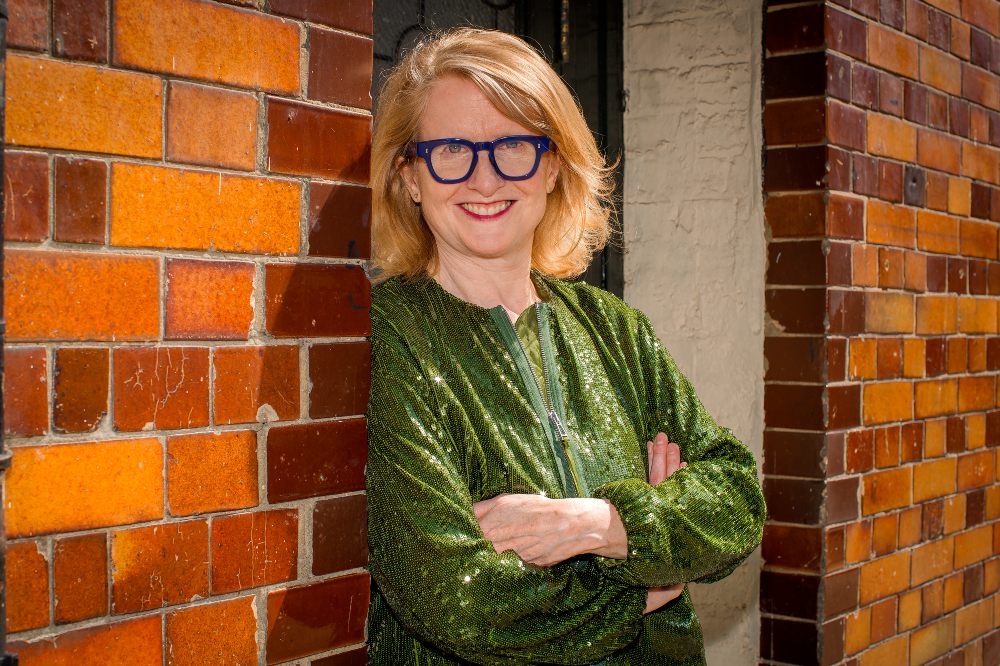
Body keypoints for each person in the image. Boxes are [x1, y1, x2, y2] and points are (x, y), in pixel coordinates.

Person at [366, 27, 765, 666]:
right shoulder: (387, 337)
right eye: (450, 151)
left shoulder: (614, 329)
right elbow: (461, 602)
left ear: (553, 166)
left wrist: (604, 524)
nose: (485, 177)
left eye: (513, 147)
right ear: (409, 176)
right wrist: (657, 576)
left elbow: (737, 498)